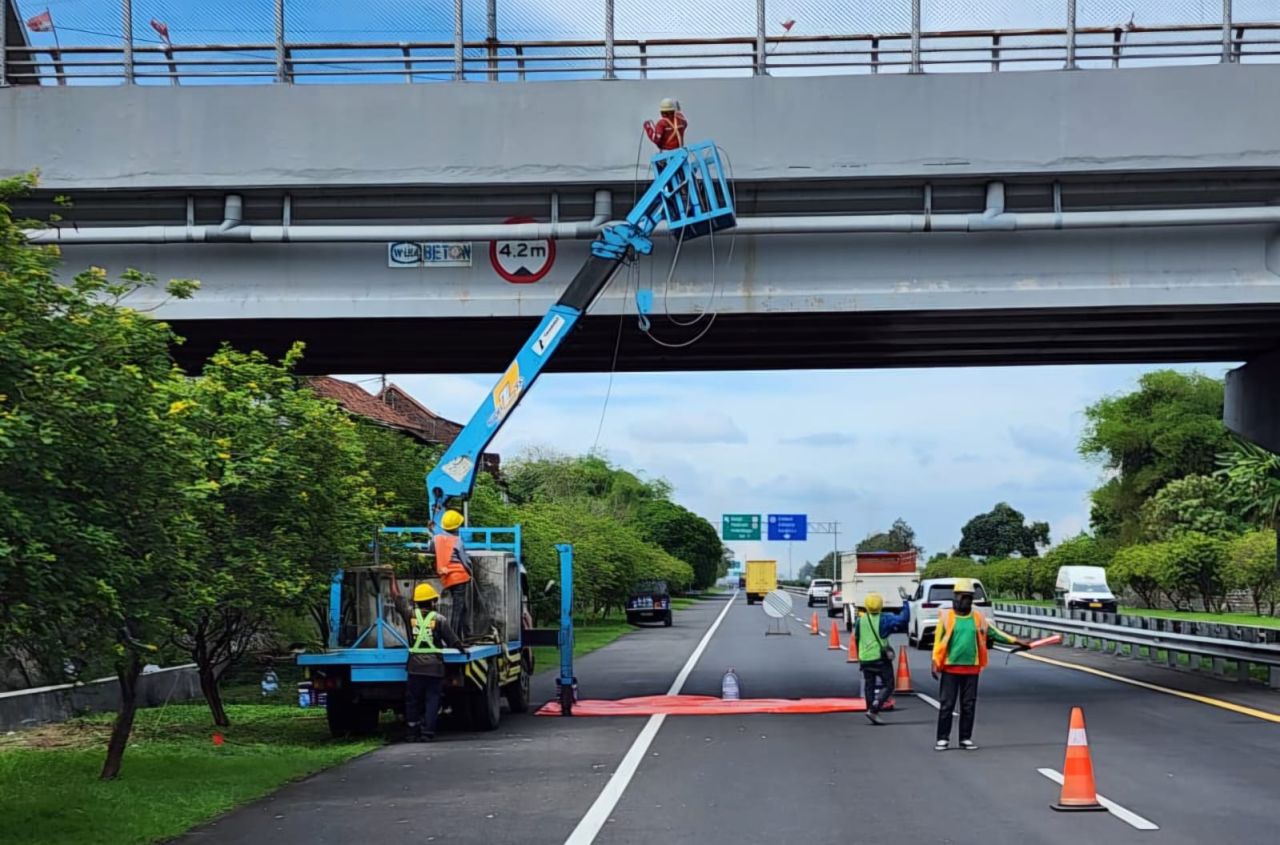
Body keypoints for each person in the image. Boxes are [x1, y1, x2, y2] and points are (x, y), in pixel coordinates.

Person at [930, 578, 1029, 751]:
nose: (965, 600)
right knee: (947, 704)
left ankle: (965, 738)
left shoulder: (977, 618)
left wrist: (1016, 641)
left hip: (972, 668)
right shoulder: (947, 617)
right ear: (955, 597)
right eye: (962, 596)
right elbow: (938, 642)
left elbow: (995, 633)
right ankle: (942, 738)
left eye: (968, 597)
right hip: (950, 667)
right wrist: (935, 662)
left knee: (968, 705)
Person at [401, 582, 462, 742]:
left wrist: (392, 578)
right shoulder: (439, 619)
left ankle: (411, 732)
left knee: (413, 700)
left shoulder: (410, 616)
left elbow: (397, 599)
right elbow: (452, 641)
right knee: (432, 699)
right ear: (432, 602)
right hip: (434, 668)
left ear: (416, 602)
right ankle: (427, 732)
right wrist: (463, 649)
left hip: (414, 667)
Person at [855, 592, 910, 725]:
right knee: (889, 685)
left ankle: (870, 710)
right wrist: (905, 602)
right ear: (881, 606)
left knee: (869, 684)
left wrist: (859, 655)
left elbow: (857, 638)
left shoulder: (860, 620)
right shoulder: (885, 619)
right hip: (880, 658)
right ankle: (874, 709)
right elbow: (903, 619)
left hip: (865, 658)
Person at [432, 509, 475, 640]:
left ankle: (465, 634)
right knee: (458, 609)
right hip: (459, 577)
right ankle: (454, 638)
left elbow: (430, 549)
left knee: (462, 608)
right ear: (456, 526)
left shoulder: (436, 539)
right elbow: (464, 560)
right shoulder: (457, 541)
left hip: (446, 577)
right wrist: (470, 570)